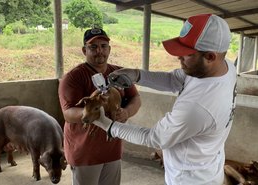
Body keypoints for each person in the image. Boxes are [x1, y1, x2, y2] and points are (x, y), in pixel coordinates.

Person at [92, 14, 237, 185]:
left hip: (190, 179)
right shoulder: (225, 66)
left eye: (186, 54)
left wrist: (108, 126)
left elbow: (153, 138)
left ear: (210, 57)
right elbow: (175, 79)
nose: (178, 58)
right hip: (207, 165)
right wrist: (137, 75)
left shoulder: (196, 108)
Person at [58, 28, 141, 185]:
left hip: (112, 149)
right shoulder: (73, 77)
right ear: (84, 50)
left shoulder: (118, 73)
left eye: (103, 46)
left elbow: (135, 97)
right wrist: (93, 112)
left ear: (109, 49)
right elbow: (68, 113)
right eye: (93, 47)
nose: (99, 51)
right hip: (84, 153)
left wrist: (126, 112)